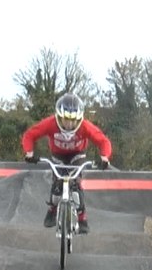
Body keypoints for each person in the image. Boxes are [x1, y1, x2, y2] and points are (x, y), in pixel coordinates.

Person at [22, 92, 112, 234]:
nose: (69, 125)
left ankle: (82, 218)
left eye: (73, 121)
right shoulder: (50, 123)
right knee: (57, 184)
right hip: (58, 155)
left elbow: (103, 141)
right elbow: (30, 135)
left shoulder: (85, 126)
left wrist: (104, 157)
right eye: (65, 120)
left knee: (75, 184)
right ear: (58, 117)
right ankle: (52, 209)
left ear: (80, 119)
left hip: (77, 155)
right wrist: (29, 152)